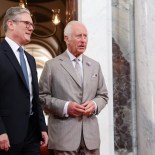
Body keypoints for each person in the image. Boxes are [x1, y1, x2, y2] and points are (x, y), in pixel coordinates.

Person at [39, 20, 108, 155]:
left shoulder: (95, 65)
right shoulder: (51, 66)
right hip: (63, 139)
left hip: (91, 140)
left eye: (85, 36)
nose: (83, 40)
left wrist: (94, 104)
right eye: (78, 36)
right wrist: (65, 107)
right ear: (66, 38)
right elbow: (41, 97)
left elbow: (103, 95)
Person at [0, 6, 48, 155]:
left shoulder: (30, 59)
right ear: (11, 24)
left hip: (32, 135)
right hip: (7, 135)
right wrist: (0, 131)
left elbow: (34, 97)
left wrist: (42, 127)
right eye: (27, 23)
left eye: (32, 25)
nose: (31, 28)